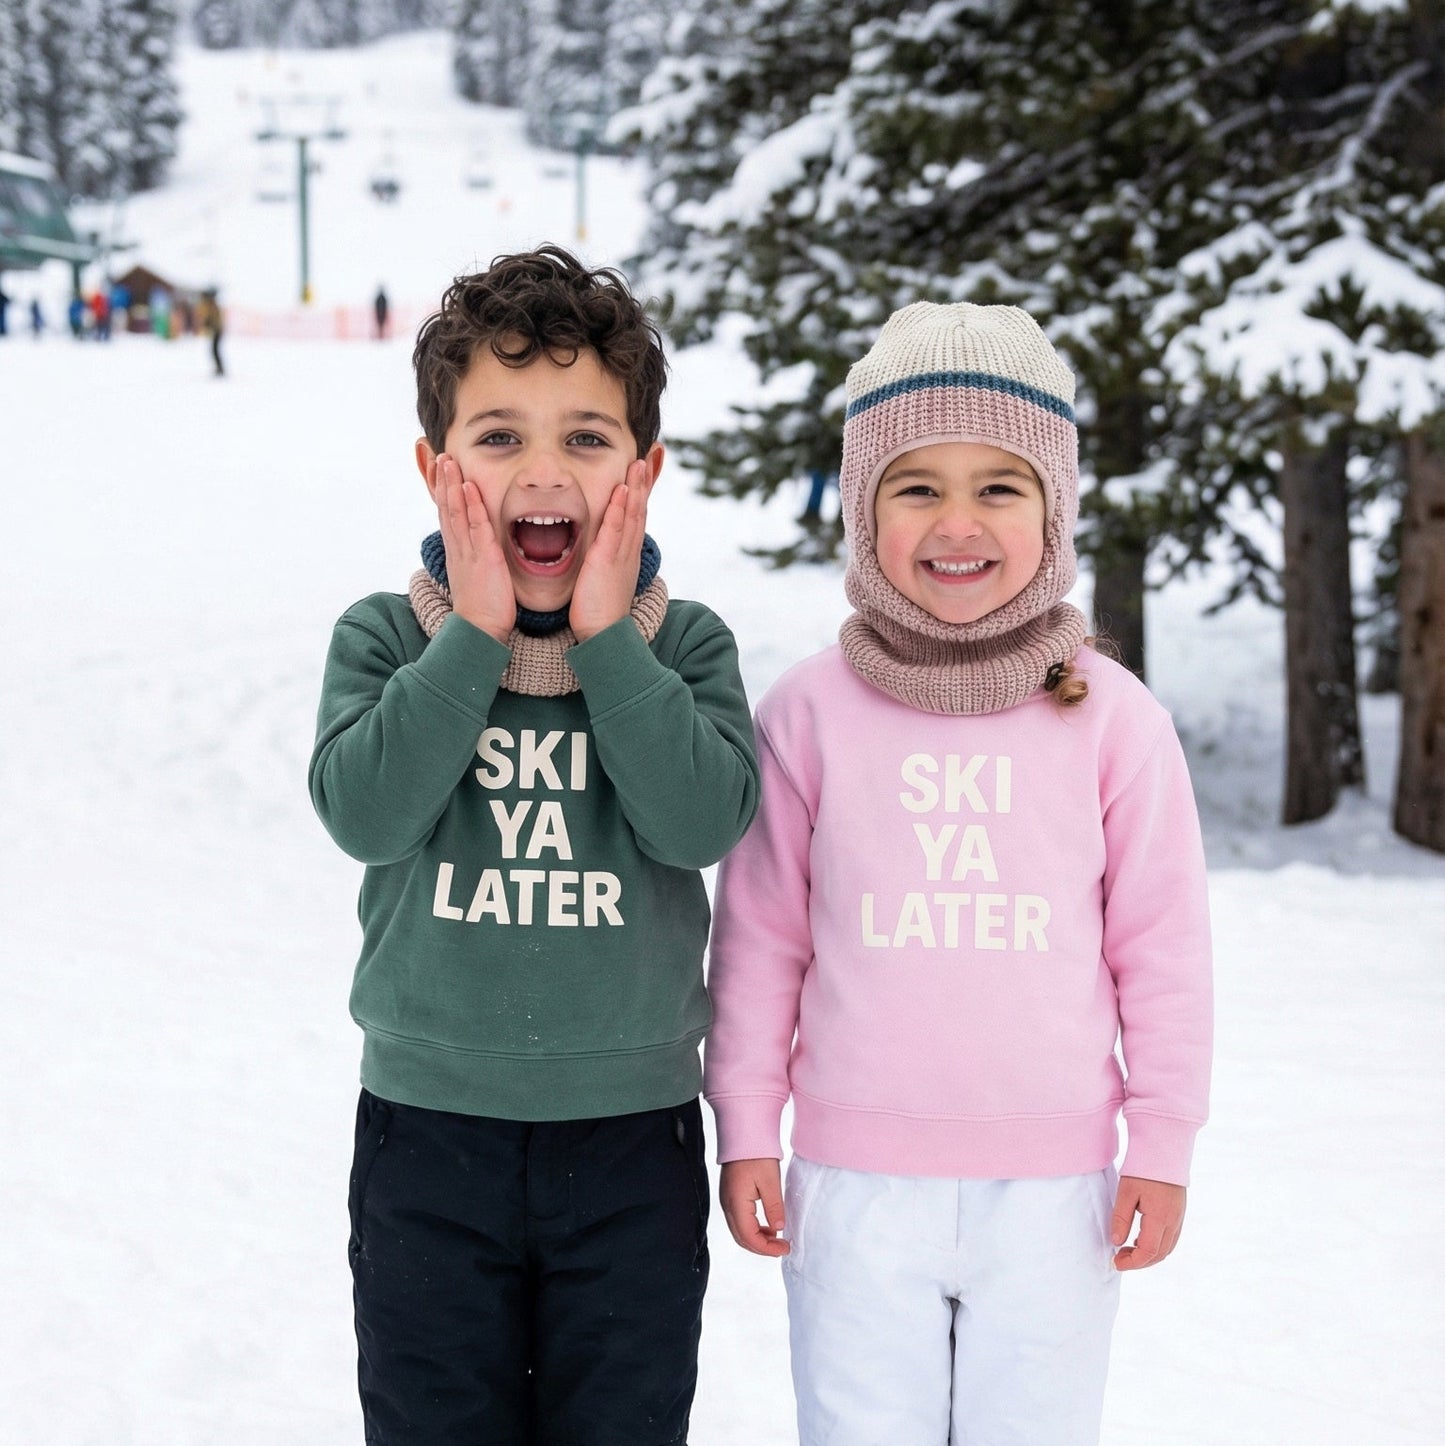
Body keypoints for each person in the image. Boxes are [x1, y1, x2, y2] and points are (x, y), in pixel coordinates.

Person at [704, 302, 1213, 1446]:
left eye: (998, 486)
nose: (956, 521)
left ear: (1054, 509)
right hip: (852, 1182)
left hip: (1051, 1191)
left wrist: (1163, 1139)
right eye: (914, 486)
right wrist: (745, 1125)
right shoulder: (807, 713)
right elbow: (758, 944)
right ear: (860, 509)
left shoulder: (1112, 722)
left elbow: (1162, 949)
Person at [308, 244, 760, 1444]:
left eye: (587, 438)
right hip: (427, 1136)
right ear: (435, 467)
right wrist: (474, 641)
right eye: (499, 438)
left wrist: (610, 644)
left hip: (630, 1145)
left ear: (643, 470)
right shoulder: (386, 640)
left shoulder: (685, 648)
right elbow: (366, 813)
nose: (543, 471)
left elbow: (701, 818)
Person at [196, 289, 224, 376]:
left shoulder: (212, 306)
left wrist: (208, 323)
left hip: (217, 330)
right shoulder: (211, 305)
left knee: (215, 350)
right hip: (216, 330)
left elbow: (213, 318)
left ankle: (220, 368)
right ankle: (219, 368)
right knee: (214, 350)